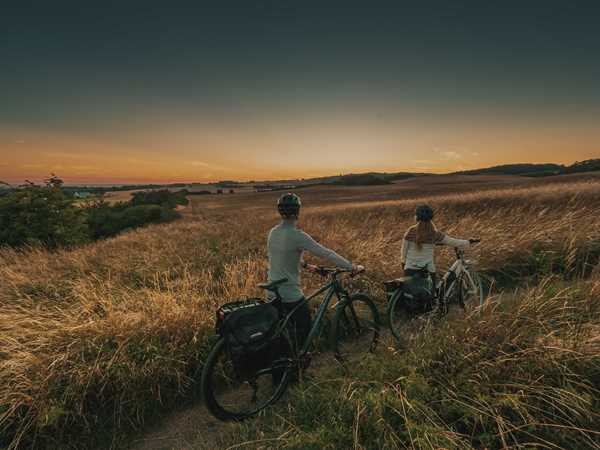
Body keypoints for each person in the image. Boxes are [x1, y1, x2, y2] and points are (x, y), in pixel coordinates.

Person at [267, 192, 363, 349]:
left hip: (272, 292)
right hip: (289, 293)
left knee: (283, 333)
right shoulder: (298, 235)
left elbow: (283, 255)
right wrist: (352, 267)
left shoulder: (273, 232)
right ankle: (299, 365)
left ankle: (286, 362)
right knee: (304, 329)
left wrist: (306, 266)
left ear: (280, 212)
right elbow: (327, 253)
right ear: (297, 212)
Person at [401, 204, 477, 294]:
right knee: (432, 294)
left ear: (416, 218)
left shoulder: (410, 231)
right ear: (431, 218)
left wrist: (403, 263)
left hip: (409, 269)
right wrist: (468, 242)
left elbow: (404, 250)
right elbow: (453, 241)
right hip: (427, 270)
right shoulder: (435, 234)